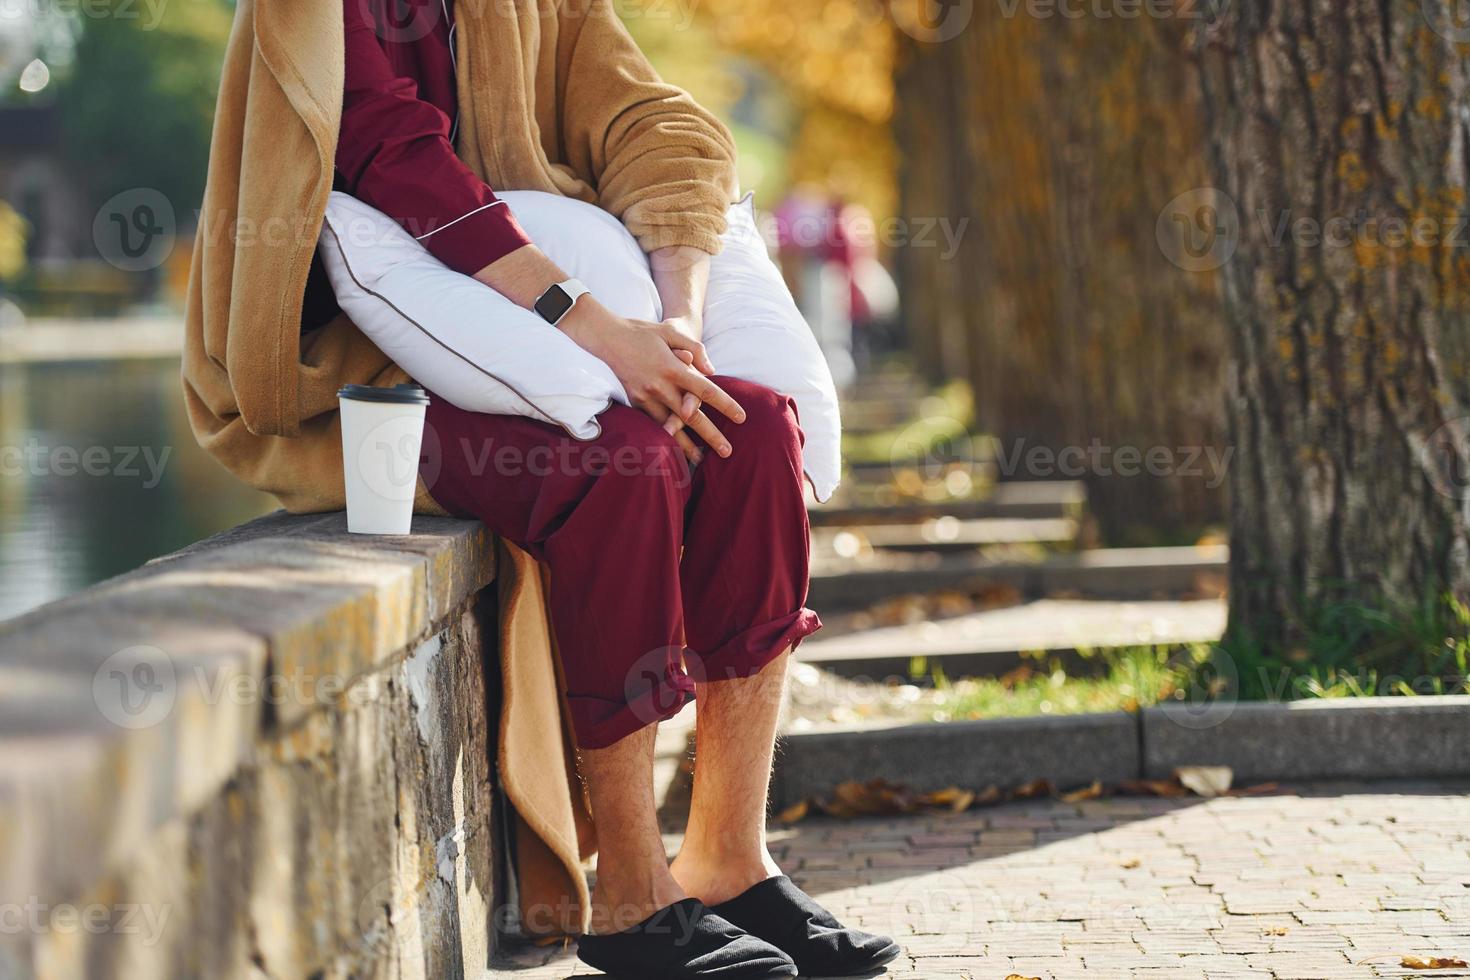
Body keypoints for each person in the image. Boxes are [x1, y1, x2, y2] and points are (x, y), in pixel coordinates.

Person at [329, 0, 899, 977]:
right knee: (624, 458)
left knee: (751, 427)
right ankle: (630, 888)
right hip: (393, 366)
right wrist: (584, 318)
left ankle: (728, 854)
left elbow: (657, 124)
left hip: (591, 330)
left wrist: (672, 323)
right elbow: (388, 153)